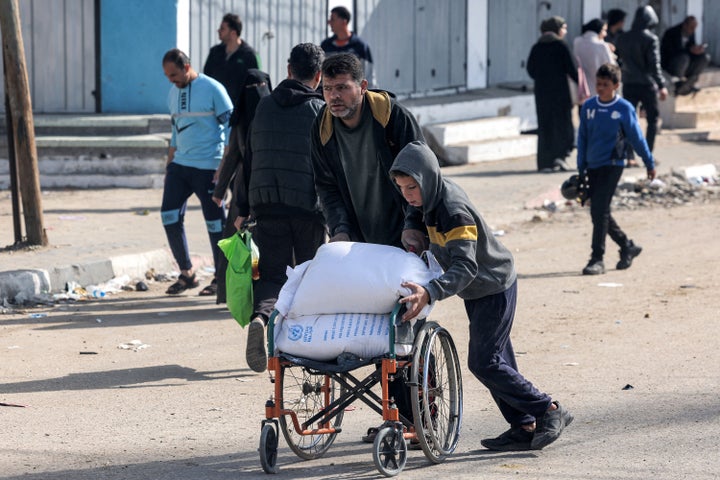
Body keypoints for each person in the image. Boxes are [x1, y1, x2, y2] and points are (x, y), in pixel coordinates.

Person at [390, 141, 574, 451]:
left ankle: (549, 410)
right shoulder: (429, 195)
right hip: (478, 291)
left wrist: (430, 291)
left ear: (428, 178)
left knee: (484, 362)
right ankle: (523, 424)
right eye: (402, 188)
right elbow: (414, 209)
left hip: (493, 286)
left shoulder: (452, 210)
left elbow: (467, 267)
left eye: (412, 187)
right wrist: (411, 226)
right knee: (498, 360)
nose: (408, 194)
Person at [233, 43, 327, 373]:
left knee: (273, 274)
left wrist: (243, 207)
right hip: (307, 208)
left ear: (288, 70)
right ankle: (304, 344)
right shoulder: (319, 109)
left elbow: (249, 157)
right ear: (318, 76)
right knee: (308, 274)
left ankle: (261, 318)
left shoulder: (265, 106)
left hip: (265, 204)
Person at [311, 52, 426, 250]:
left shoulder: (393, 117)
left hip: (405, 237)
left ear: (363, 87)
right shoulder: (322, 127)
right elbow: (326, 186)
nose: (334, 96)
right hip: (358, 241)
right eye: (327, 89)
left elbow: (422, 176)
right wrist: (340, 230)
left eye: (342, 87)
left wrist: (414, 225)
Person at [160, 49, 233, 295]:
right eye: (168, 76)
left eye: (174, 74)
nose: (171, 80)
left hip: (209, 167)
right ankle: (186, 273)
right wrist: (169, 166)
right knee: (168, 215)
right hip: (180, 167)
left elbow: (231, 130)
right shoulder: (172, 92)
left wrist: (224, 167)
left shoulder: (213, 89)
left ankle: (220, 277)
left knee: (215, 224)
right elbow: (175, 131)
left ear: (187, 66)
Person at [203, 13, 262, 301]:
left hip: (251, 195)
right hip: (253, 193)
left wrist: (221, 189)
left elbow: (235, 156)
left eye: (222, 27)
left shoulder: (249, 55)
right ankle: (230, 287)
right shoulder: (216, 54)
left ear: (234, 31)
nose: (218, 31)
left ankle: (236, 288)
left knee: (244, 237)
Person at [577, 63, 656, 275]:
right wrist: (580, 165)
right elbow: (583, 137)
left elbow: (637, 138)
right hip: (592, 165)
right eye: (598, 83)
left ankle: (597, 258)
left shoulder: (623, 109)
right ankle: (626, 245)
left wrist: (649, 162)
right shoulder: (589, 107)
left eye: (605, 84)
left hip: (613, 165)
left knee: (599, 210)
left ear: (616, 85)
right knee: (598, 212)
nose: (600, 88)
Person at [614, 6, 668, 158]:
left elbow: (617, 59)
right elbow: (654, 64)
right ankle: (647, 154)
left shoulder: (623, 37)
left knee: (629, 120)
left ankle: (629, 155)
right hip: (646, 84)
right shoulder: (651, 38)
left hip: (629, 83)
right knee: (652, 120)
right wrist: (662, 85)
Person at [527, 16, 578, 172]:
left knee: (545, 126)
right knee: (563, 126)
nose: (565, 31)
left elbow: (530, 69)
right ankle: (559, 158)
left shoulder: (537, 47)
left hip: (542, 94)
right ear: (557, 29)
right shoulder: (561, 45)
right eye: (564, 28)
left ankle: (544, 163)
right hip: (560, 93)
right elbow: (572, 69)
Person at [321, 6, 375, 87]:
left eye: (332, 19)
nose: (329, 22)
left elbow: (368, 76)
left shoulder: (360, 46)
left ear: (344, 21)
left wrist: (369, 97)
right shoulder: (326, 45)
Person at [661, 16, 711, 96]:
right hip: (672, 65)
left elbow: (691, 47)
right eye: (691, 27)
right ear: (684, 25)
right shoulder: (671, 33)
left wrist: (697, 50)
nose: (693, 30)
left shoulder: (691, 33)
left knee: (704, 58)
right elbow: (671, 53)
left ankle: (690, 82)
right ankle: (677, 83)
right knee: (684, 58)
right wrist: (689, 50)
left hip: (686, 64)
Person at [574, 19, 616, 98]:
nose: (605, 34)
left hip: (581, 89)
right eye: (604, 30)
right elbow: (612, 68)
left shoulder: (577, 42)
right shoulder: (602, 46)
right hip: (599, 90)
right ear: (598, 30)